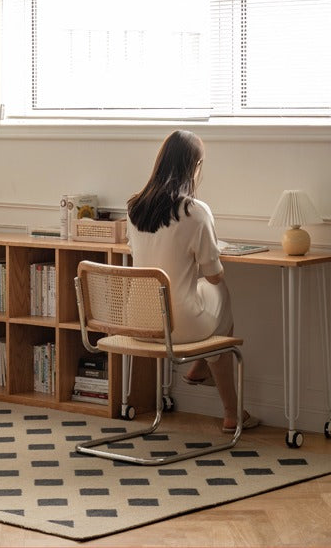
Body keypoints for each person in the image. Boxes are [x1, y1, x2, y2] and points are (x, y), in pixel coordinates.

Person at [126, 130, 259, 433]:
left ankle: (204, 370)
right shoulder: (195, 212)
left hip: (138, 323)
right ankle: (229, 410)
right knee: (219, 291)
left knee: (199, 293)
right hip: (180, 328)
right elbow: (214, 275)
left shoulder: (134, 208)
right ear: (194, 166)